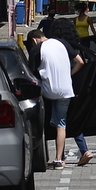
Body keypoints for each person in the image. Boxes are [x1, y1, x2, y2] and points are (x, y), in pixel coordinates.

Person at [35, 23, 85, 168]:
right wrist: (69, 75)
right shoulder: (68, 46)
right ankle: (62, 158)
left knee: (47, 121)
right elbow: (81, 61)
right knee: (62, 123)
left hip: (48, 90)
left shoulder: (42, 48)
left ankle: (56, 157)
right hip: (67, 89)